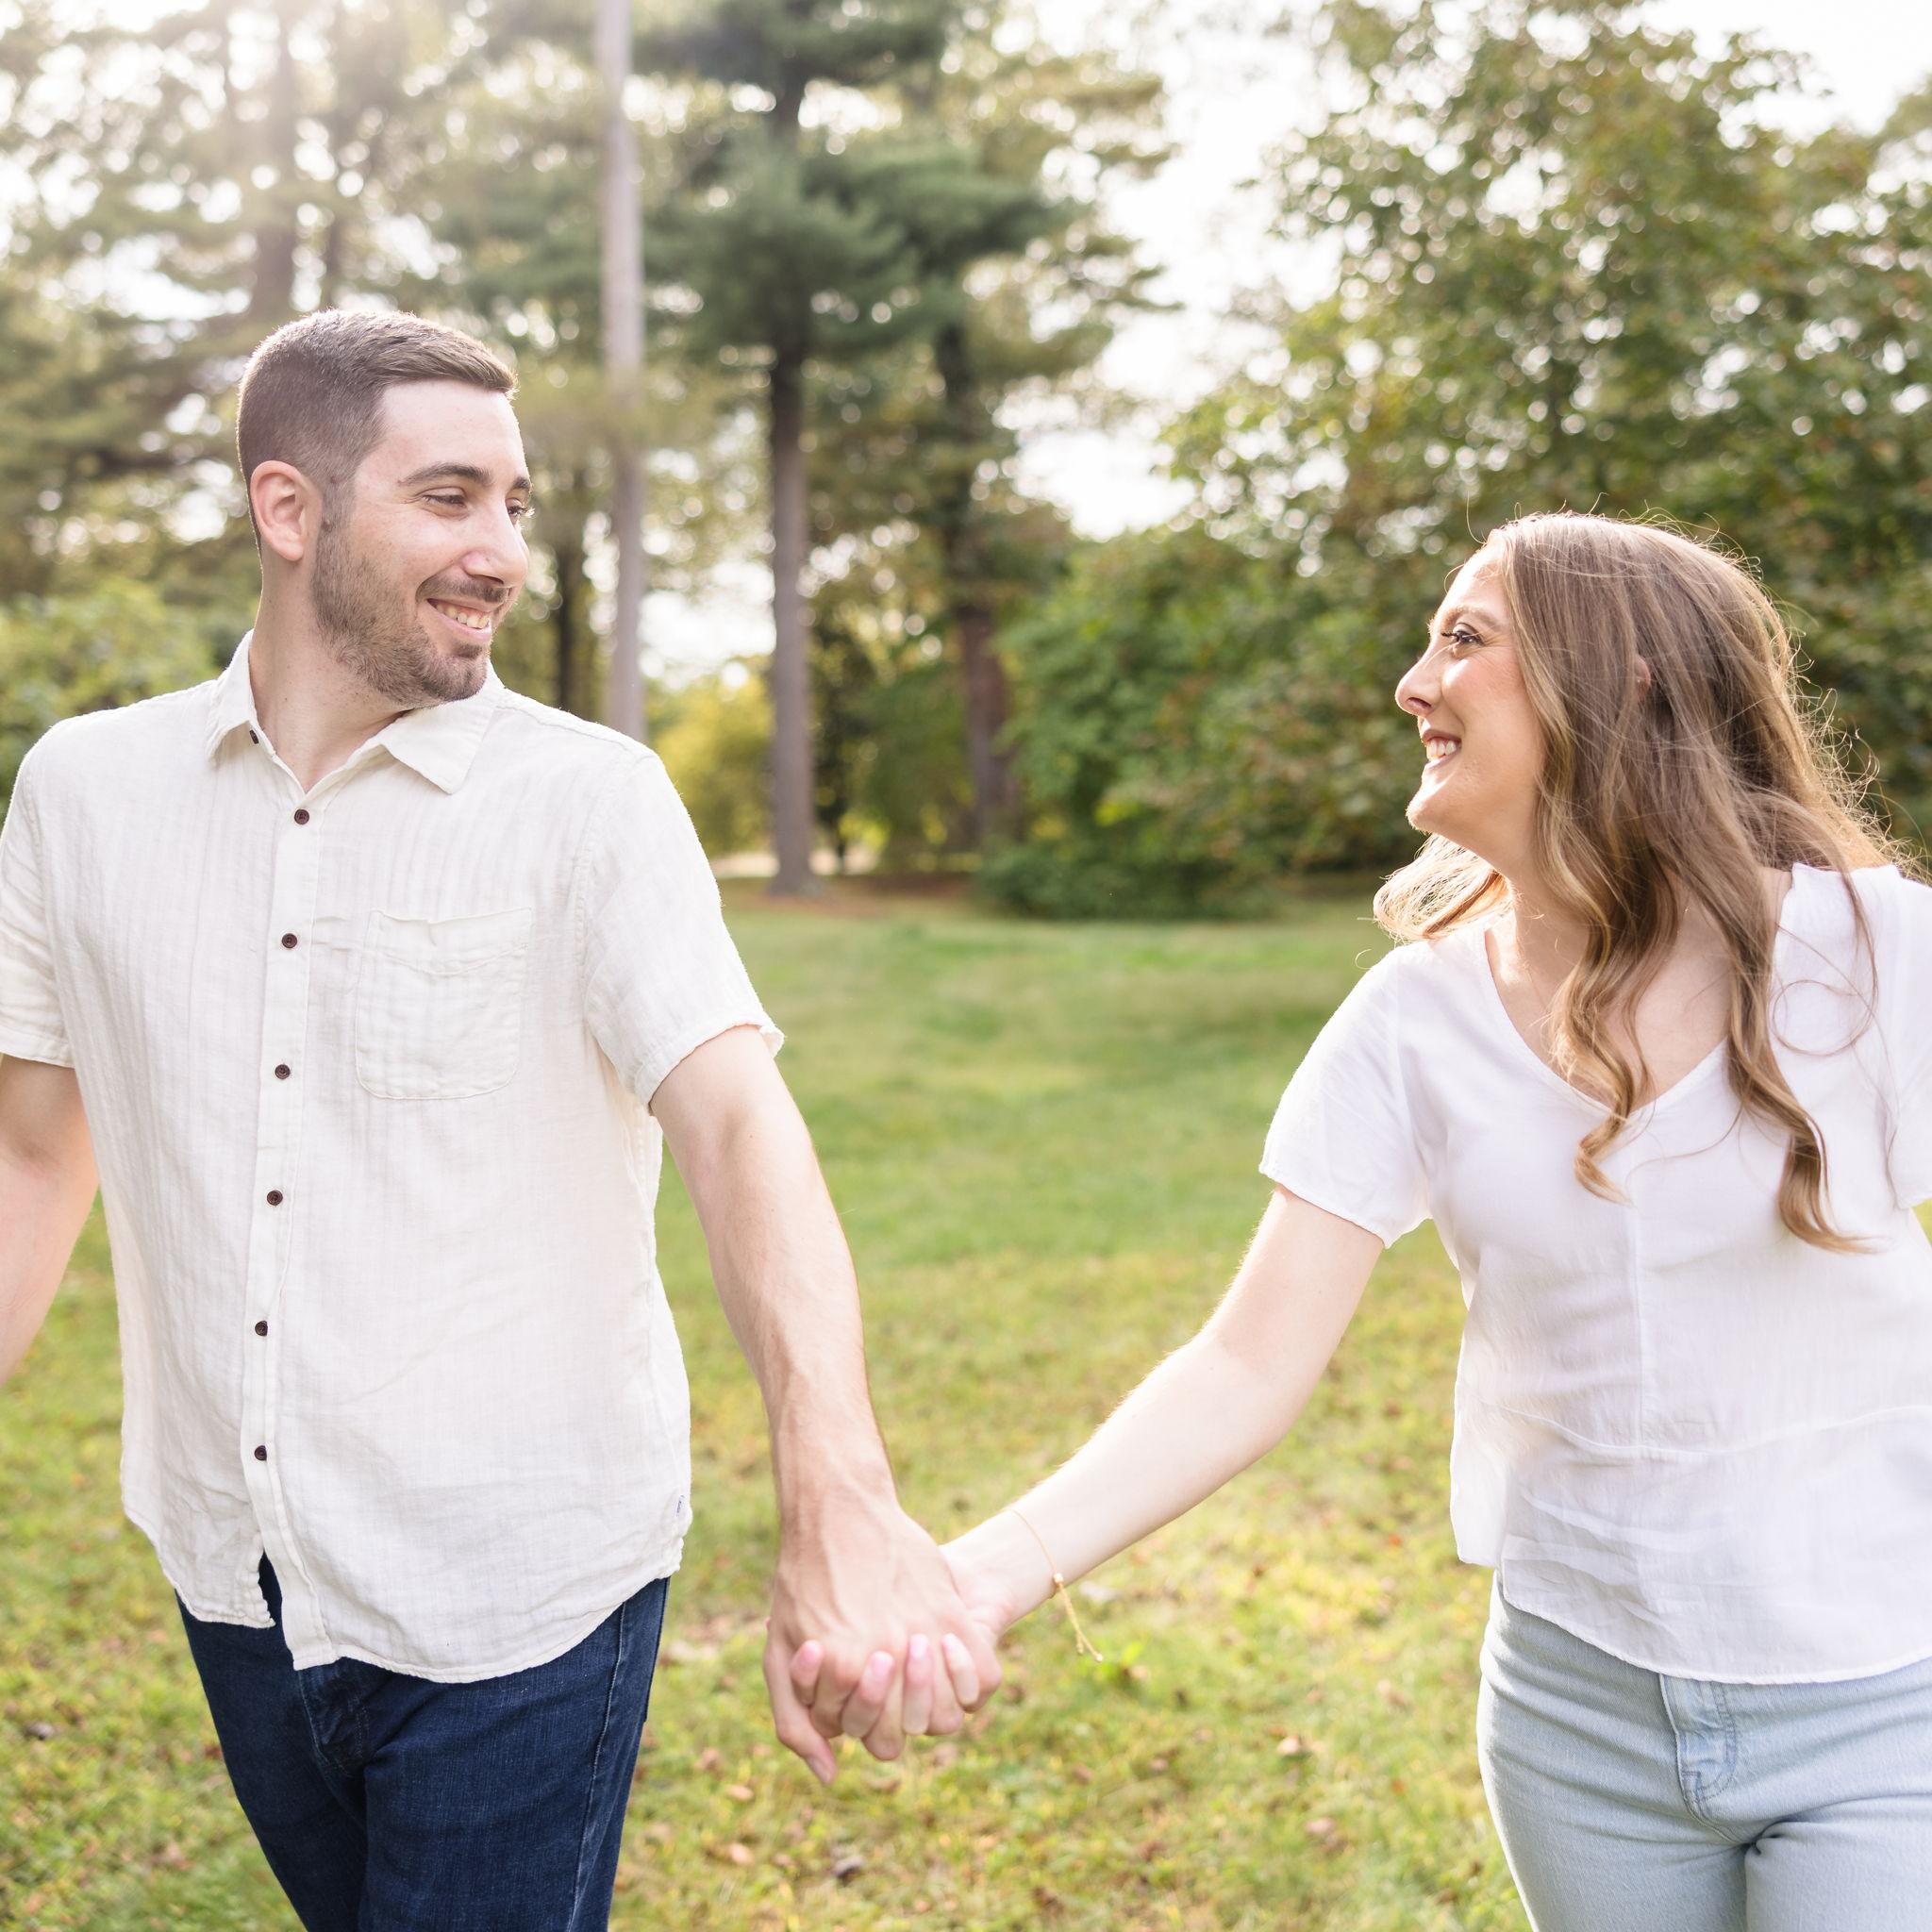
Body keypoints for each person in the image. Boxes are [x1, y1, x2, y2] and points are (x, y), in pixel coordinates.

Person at [0, 308, 998, 1932]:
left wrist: (838, 1489)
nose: (505, 554)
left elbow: (739, 1125)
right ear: (288, 509)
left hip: (522, 1595)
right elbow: (34, 1151)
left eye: (517, 505)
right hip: (232, 1566)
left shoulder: (588, 803)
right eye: (451, 497)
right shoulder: (82, 793)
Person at [793, 512, 1932, 1929]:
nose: (1413, 681)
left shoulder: (1867, 954)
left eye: (1466, 638)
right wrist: (970, 1583)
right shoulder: (1415, 1020)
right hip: (1582, 1719)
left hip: (1883, 1704)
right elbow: (1244, 1365)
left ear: (1625, 678)